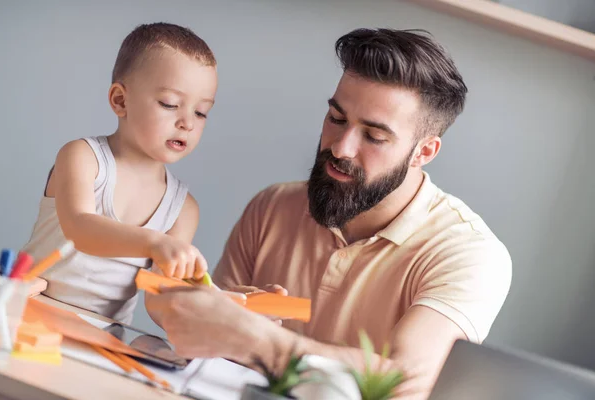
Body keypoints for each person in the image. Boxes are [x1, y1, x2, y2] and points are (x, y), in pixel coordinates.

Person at [146, 28, 512, 399]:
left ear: (424, 152)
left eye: (374, 137)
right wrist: (224, 316)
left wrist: (258, 341)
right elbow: (206, 345)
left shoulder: (470, 254)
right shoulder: (271, 208)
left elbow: (405, 380)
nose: (341, 148)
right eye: (337, 118)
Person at [23, 22, 217, 324]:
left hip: (103, 340)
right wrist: (155, 242)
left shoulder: (184, 210)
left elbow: (157, 300)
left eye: (201, 111)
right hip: (28, 314)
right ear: (120, 100)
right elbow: (81, 228)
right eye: (170, 104)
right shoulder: (82, 157)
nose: (187, 123)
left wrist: (222, 303)